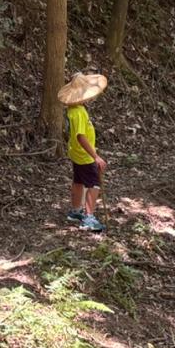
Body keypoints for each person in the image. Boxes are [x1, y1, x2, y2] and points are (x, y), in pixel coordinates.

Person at [59, 72, 108, 233]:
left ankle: (75, 211)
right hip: (85, 155)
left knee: (78, 181)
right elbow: (80, 136)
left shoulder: (72, 110)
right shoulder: (79, 112)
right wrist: (95, 156)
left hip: (75, 153)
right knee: (93, 184)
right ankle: (88, 217)